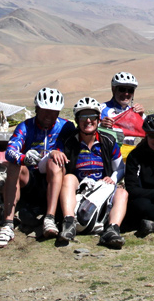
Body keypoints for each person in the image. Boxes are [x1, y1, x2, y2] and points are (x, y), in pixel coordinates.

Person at [0, 87, 78, 248]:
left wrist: (54, 152)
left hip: (55, 178)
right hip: (30, 179)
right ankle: (7, 224)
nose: (49, 116)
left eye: (54, 112)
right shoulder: (25, 126)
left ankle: (50, 218)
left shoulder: (66, 126)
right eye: (45, 111)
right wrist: (23, 158)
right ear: (37, 109)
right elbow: (10, 152)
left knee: (55, 161)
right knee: (13, 166)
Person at [58, 97, 128, 248]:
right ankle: (68, 222)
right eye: (83, 116)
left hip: (101, 188)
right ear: (77, 120)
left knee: (122, 193)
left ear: (98, 119)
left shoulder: (108, 141)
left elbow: (120, 168)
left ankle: (112, 230)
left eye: (92, 117)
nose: (88, 120)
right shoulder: (69, 142)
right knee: (69, 178)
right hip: (79, 189)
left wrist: (114, 178)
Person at [100, 72, 145, 137]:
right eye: (122, 89)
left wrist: (141, 117)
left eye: (130, 90)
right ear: (114, 89)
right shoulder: (101, 109)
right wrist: (100, 126)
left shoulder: (135, 112)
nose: (126, 93)